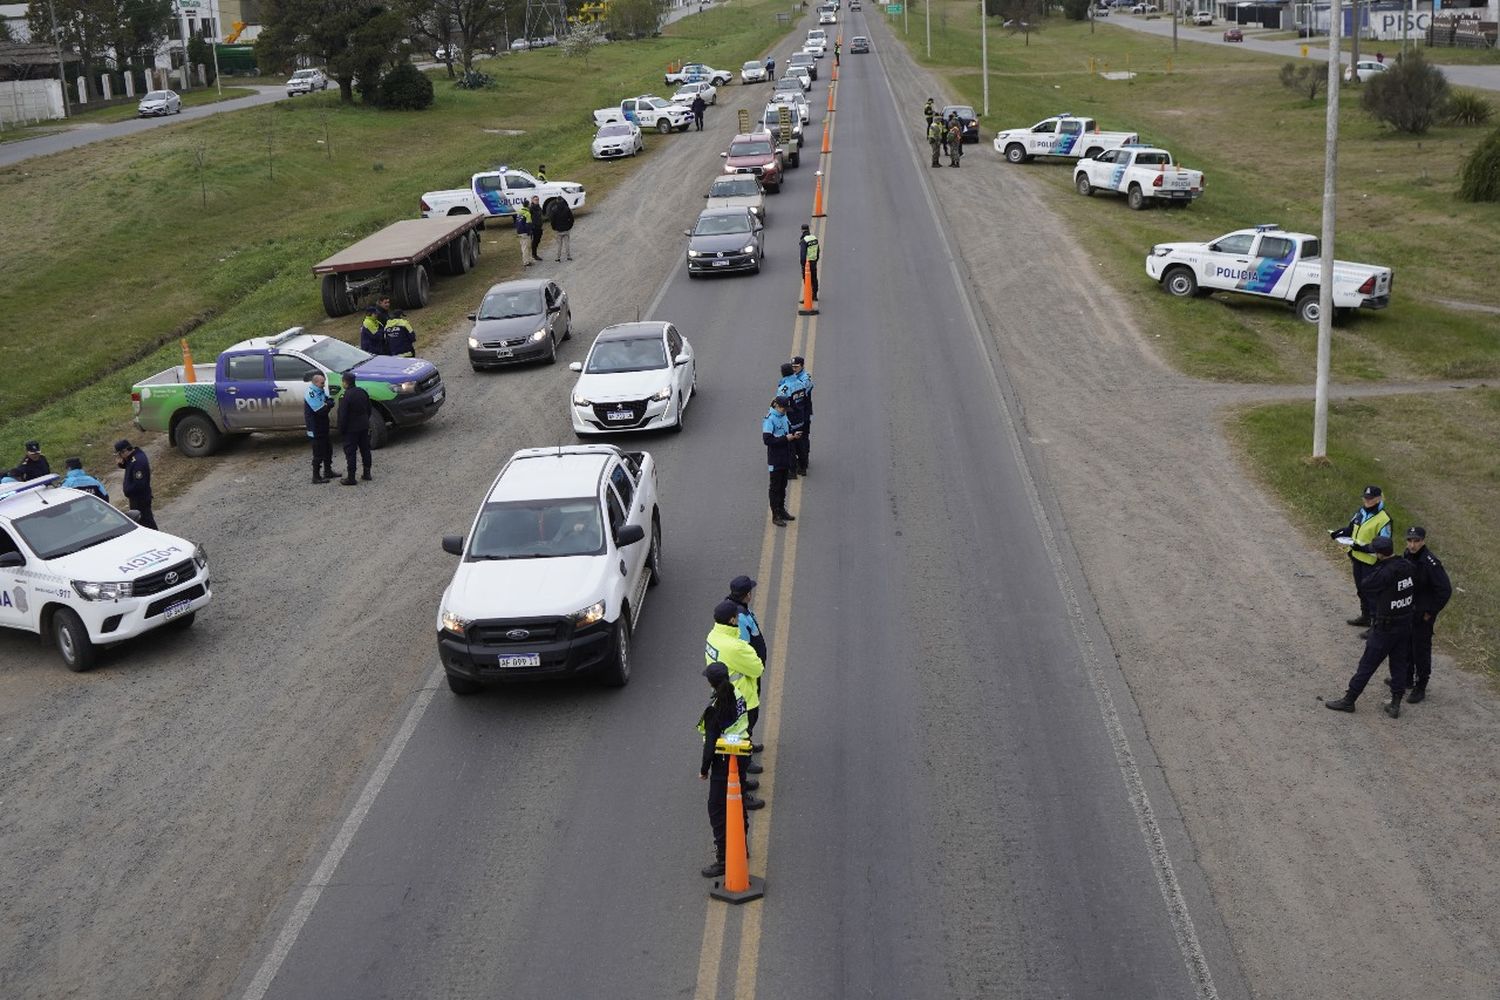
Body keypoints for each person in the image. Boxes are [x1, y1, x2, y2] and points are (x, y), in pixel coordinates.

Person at [1324, 535, 1416, 718]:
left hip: (1385, 627)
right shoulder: (1408, 567)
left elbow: (1366, 585)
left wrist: (1377, 565)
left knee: (1367, 664)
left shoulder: (1383, 572)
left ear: (1379, 554)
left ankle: (1349, 699)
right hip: (1405, 624)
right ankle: (1395, 703)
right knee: (1398, 664)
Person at [697, 661, 754, 879]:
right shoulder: (738, 694)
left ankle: (724, 858)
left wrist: (704, 770)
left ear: (711, 683)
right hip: (741, 757)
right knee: (738, 804)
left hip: (723, 763)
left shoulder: (716, 708)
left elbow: (709, 745)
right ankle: (742, 847)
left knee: (717, 810)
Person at [706, 599, 766, 788]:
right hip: (742, 697)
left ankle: (746, 754)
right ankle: (742, 780)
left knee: (742, 734)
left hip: (725, 695)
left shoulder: (712, 636)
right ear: (732, 620)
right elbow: (757, 668)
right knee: (742, 734)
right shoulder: (736, 646)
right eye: (737, 617)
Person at [1329, 485, 1393, 627]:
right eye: (1365, 497)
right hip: (1357, 558)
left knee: (1372, 594)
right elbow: (1352, 528)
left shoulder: (1384, 519)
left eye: (1370, 498)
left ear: (1378, 499)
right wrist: (1339, 533)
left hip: (1372, 563)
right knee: (1361, 590)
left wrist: (1363, 548)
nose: (1367, 501)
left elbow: (1385, 546)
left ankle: (1376, 624)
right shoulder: (1360, 512)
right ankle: (1366, 617)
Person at [1404, 526, 1452, 704]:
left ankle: (1420, 686)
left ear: (1423, 541)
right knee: (1406, 645)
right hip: (1409, 610)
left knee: (1421, 651)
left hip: (1423, 614)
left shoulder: (1430, 562)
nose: (1413, 544)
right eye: (1410, 540)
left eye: (1416, 541)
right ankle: (1406, 678)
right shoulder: (1407, 555)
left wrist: (1430, 612)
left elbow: (1445, 590)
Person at [726, 576, 768, 774]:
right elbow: (743, 647)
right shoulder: (740, 616)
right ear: (747, 595)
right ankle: (746, 758)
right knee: (748, 717)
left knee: (749, 716)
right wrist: (755, 667)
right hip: (747, 677)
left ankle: (748, 744)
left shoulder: (738, 609)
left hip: (750, 672)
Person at [763, 396, 798, 526]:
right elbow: (767, 440)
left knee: (783, 485)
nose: (784, 411)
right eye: (783, 408)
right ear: (777, 406)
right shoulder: (769, 419)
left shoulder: (783, 416)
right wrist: (785, 439)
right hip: (775, 458)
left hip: (785, 456)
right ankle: (775, 514)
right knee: (775, 487)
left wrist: (794, 435)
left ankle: (782, 510)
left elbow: (788, 430)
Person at [336, 371, 372, 485]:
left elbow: (343, 415)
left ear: (345, 382)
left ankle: (351, 478)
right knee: (365, 450)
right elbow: (369, 409)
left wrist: (341, 429)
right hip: (363, 426)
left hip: (351, 429)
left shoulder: (346, 396)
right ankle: (367, 473)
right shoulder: (362, 392)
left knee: (351, 453)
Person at [778, 362, 811, 476]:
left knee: (790, 445)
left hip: (789, 420)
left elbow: (780, 404)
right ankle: (803, 468)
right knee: (801, 443)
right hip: (800, 418)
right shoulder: (801, 383)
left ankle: (792, 471)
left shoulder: (784, 388)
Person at [114, 440, 156, 529]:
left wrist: (127, 491)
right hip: (137, 498)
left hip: (140, 498)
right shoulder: (133, 457)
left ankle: (158, 540)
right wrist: (121, 465)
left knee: (147, 523)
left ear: (124, 451)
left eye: (120, 454)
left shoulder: (138, 461)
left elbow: (139, 484)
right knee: (143, 523)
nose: (120, 457)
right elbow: (129, 465)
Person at [304, 372, 335, 483]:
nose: (324, 385)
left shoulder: (319, 390)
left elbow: (331, 401)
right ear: (316, 382)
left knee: (328, 449)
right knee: (318, 453)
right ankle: (316, 477)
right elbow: (321, 411)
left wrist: (328, 404)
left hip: (323, 426)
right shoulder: (311, 393)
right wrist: (328, 404)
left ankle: (328, 471)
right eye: (322, 383)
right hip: (315, 428)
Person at [789, 356, 814, 470]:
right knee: (794, 437)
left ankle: (804, 461)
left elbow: (804, 390)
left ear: (802, 366)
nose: (794, 369)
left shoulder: (806, 377)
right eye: (792, 367)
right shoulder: (791, 377)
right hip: (793, 414)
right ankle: (797, 460)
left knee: (803, 436)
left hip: (804, 412)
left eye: (796, 367)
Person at [548, 197, 575, 261]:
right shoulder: (567, 208)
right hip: (566, 229)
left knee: (559, 245)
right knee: (567, 243)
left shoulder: (554, 210)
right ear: (563, 201)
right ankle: (568, 256)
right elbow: (572, 219)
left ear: (557, 201)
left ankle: (558, 257)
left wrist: (554, 227)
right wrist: (569, 226)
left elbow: (552, 220)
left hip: (558, 230)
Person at [798, 223, 820, 301]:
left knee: (807, 280)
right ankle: (815, 295)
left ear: (802, 230)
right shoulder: (814, 238)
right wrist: (816, 259)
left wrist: (803, 264)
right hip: (814, 261)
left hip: (807, 263)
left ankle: (808, 296)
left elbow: (803, 254)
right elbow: (818, 250)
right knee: (814, 278)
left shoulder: (804, 241)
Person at [514, 201, 534, 266]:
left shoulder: (519, 211)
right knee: (526, 247)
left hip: (519, 231)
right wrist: (529, 232)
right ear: (528, 205)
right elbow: (528, 224)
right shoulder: (527, 213)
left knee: (523, 246)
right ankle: (526, 262)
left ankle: (527, 260)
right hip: (525, 232)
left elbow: (516, 222)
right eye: (530, 204)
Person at [527, 196, 545, 264]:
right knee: (535, 241)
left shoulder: (539, 207)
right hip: (534, 227)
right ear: (532, 200)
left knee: (538, 240)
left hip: (539, 226)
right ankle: (534, 254)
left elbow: (540, 216)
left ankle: (534, 253)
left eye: (538, 199)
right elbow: (529, 218)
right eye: (535, 200)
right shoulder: (531, 208)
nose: (537, 201)